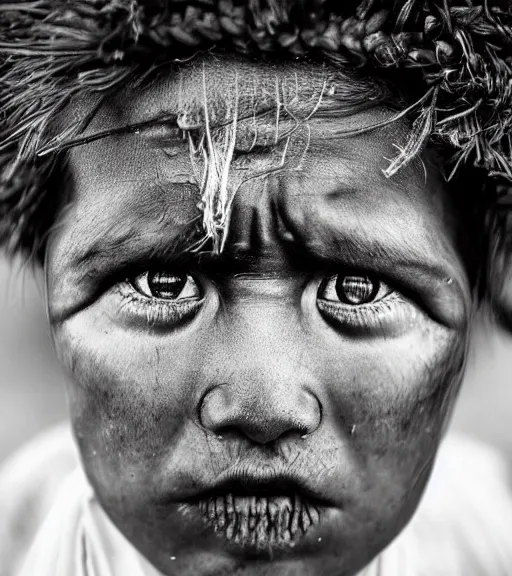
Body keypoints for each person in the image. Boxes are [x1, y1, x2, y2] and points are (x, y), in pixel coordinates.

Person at [1, 1, 512, 575]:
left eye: (356, 289)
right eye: (164, 283)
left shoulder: (492, 537)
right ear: (53, 287)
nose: (264, 407)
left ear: (471, 299)